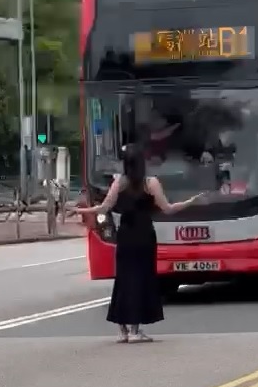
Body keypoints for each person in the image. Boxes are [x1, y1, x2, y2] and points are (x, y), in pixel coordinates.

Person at [73, 144, 204, 344]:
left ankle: (123, 331)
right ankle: (135, 330)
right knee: (141, 279)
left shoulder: (119, 183)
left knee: (124, 279)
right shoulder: (150, 183)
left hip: (125, 234)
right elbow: (167, 208)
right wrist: (189, 202)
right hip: (144, 235)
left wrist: (81, 212)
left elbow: (103, 207)